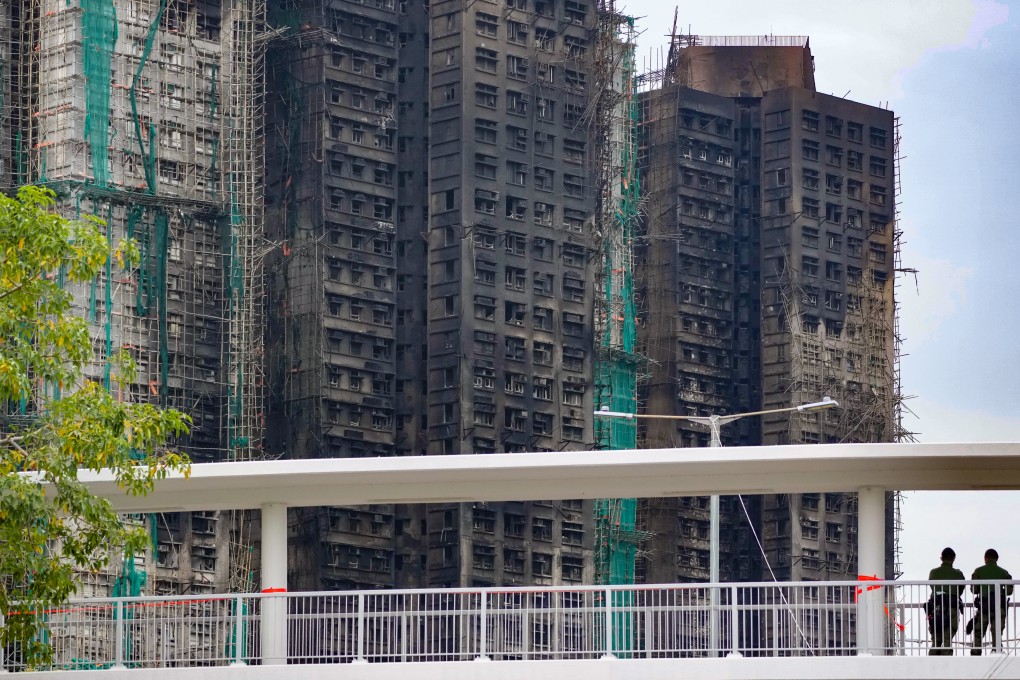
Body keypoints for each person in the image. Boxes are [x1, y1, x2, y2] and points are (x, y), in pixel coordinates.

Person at [969, 549, 1013, 655]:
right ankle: (996, 650)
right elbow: (1009, 591)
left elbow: (974, 590)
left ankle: (976, 652)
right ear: (997, 559)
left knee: (979, 631)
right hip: (999, 607)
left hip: (984, 606)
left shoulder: (978, 571)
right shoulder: (1003, 572)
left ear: (985, 558)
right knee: (997, 630)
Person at [925, 547, 965, 655]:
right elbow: (960, 590)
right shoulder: (958, 574)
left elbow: (932, 587)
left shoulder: (933, 572)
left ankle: (932, 665)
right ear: (954, 558)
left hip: (936, 608)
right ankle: (946, 664)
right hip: (951, 608)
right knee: (947, 638)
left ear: (941, 558)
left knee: (936, 639)